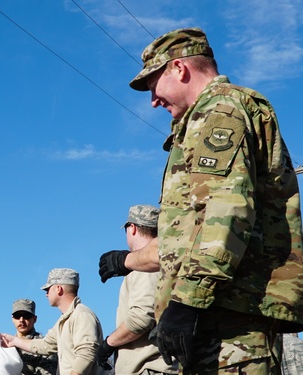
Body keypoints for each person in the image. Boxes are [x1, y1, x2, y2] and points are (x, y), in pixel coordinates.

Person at [101, 27, 303, 374]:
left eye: (153, 85)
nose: (153, 100)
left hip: (231, 322)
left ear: (179, 69)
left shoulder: (221, 109)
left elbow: (226, 211)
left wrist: (187, 301)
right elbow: (188, 234)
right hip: (214, 316)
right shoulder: (202, 118)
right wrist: (130, 261)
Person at [98, 205, 177, 375]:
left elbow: (140, 319)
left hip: (149, 368)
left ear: (132, 228)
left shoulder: (146, 268)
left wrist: (108, 344)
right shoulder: (163, 263)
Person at [1, 268, 105, 375]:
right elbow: (46, 345)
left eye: (48, 290)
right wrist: (13, 340)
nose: (46, 295)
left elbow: (86, 353)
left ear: (58, 289)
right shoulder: (64, 320)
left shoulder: (81, 314)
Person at [9, 298, 57, 375]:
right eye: (17, 316)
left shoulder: (45, 345)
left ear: (34, 319)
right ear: (12, 319)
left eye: (26, 316)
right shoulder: (5, 346)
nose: (21, 320)